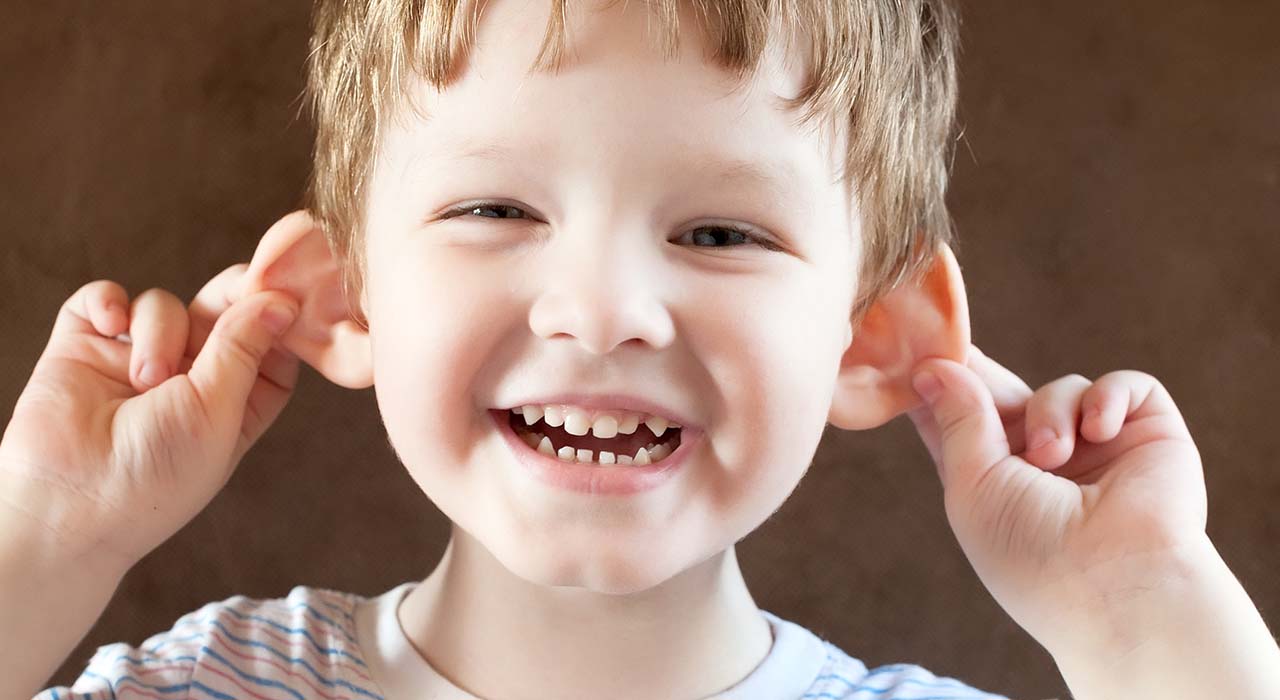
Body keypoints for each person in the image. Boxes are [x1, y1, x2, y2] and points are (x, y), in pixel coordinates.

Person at [5, 0, 1279, 697]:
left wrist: (1140, 614)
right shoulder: (197, 692)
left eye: (719, 230)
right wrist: (47, 530)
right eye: (494, 209)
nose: (601, 309)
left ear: (872, 337)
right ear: (339, 297)